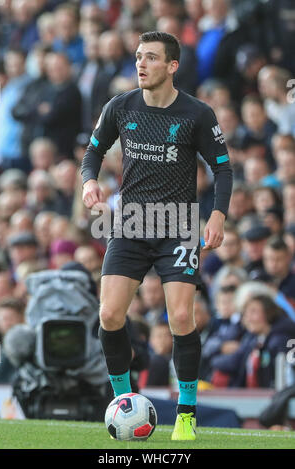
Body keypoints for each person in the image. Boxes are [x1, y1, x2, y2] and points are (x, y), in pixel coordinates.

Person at [81, 31, 233, 441]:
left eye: (150, 58)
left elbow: (222, 168)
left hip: (178, 225)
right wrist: (88, 182)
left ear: (172, 66)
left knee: (181, 317)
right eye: (137, 58)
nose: (141, 65)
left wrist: (217, 215)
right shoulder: (120, 106)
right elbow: (92, 152)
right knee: (110, 315)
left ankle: (186, 413)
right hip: (131, 224)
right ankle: (123, 403)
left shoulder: (197, 114)